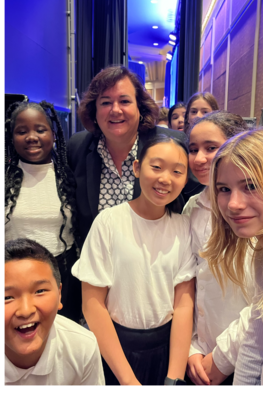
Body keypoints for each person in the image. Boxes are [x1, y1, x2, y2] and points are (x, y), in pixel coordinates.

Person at [73, 135, 196, 385]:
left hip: (166, 348)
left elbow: (184, 303)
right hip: (115, 350)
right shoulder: (108, 222)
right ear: (137, 168)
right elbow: (93, 305)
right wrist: (130, 383)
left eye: (177, 171)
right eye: (157, 167)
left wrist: (175, 377)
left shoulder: (184, 226)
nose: (165, 179)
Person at [67, 65, 202, 243]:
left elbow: (200, 195)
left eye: (124, 101)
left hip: (159, 260)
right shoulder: (77, 148)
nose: (115, 110)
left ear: (140, 108)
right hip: (99, 264)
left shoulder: (172, 144)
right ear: (94, 111)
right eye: (106, 102)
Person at [201, 127, 263, 385]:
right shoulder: (262, 252)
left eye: (250, 186)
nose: (233, 204)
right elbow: (256, 339)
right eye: (224, 189)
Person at [183, 112, 253, 386]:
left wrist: (221, 360)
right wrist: (192, 347)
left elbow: (262, 304)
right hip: (199, 353)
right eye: (193, 149)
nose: (199, 158)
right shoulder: (192, 208)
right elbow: (190, 284)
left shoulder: (253, 214)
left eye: (211, 148)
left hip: (242, 356)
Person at [5, 101, 82, 322]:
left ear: (54, 134)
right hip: (12, 277)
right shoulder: (3, 181)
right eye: (22, 131)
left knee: (63, 338)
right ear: (12, 137)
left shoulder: (69, 177)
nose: (31, 136)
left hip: (63, 275)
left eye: (40, 129)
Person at [5, 238, 105, 385]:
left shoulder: (82, 347)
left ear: (59, 295)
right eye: (6, 297)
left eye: (39, 291)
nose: (26, 311)